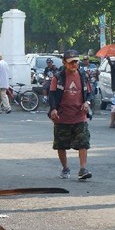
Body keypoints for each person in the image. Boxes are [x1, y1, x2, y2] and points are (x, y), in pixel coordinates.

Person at [48, 50, 93, 180]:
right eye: (71, 62)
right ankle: (65, 168)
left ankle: (83, 169)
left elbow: (90, 93)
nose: (74, 65)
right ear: (64, 63)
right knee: (61, 144)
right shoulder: (58, 77)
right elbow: (52, 94)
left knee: (84, 142)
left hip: (80, 115)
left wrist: (87, 102)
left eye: (76, 62)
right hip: (62, 116)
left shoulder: (83, 75)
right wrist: (53, 109)